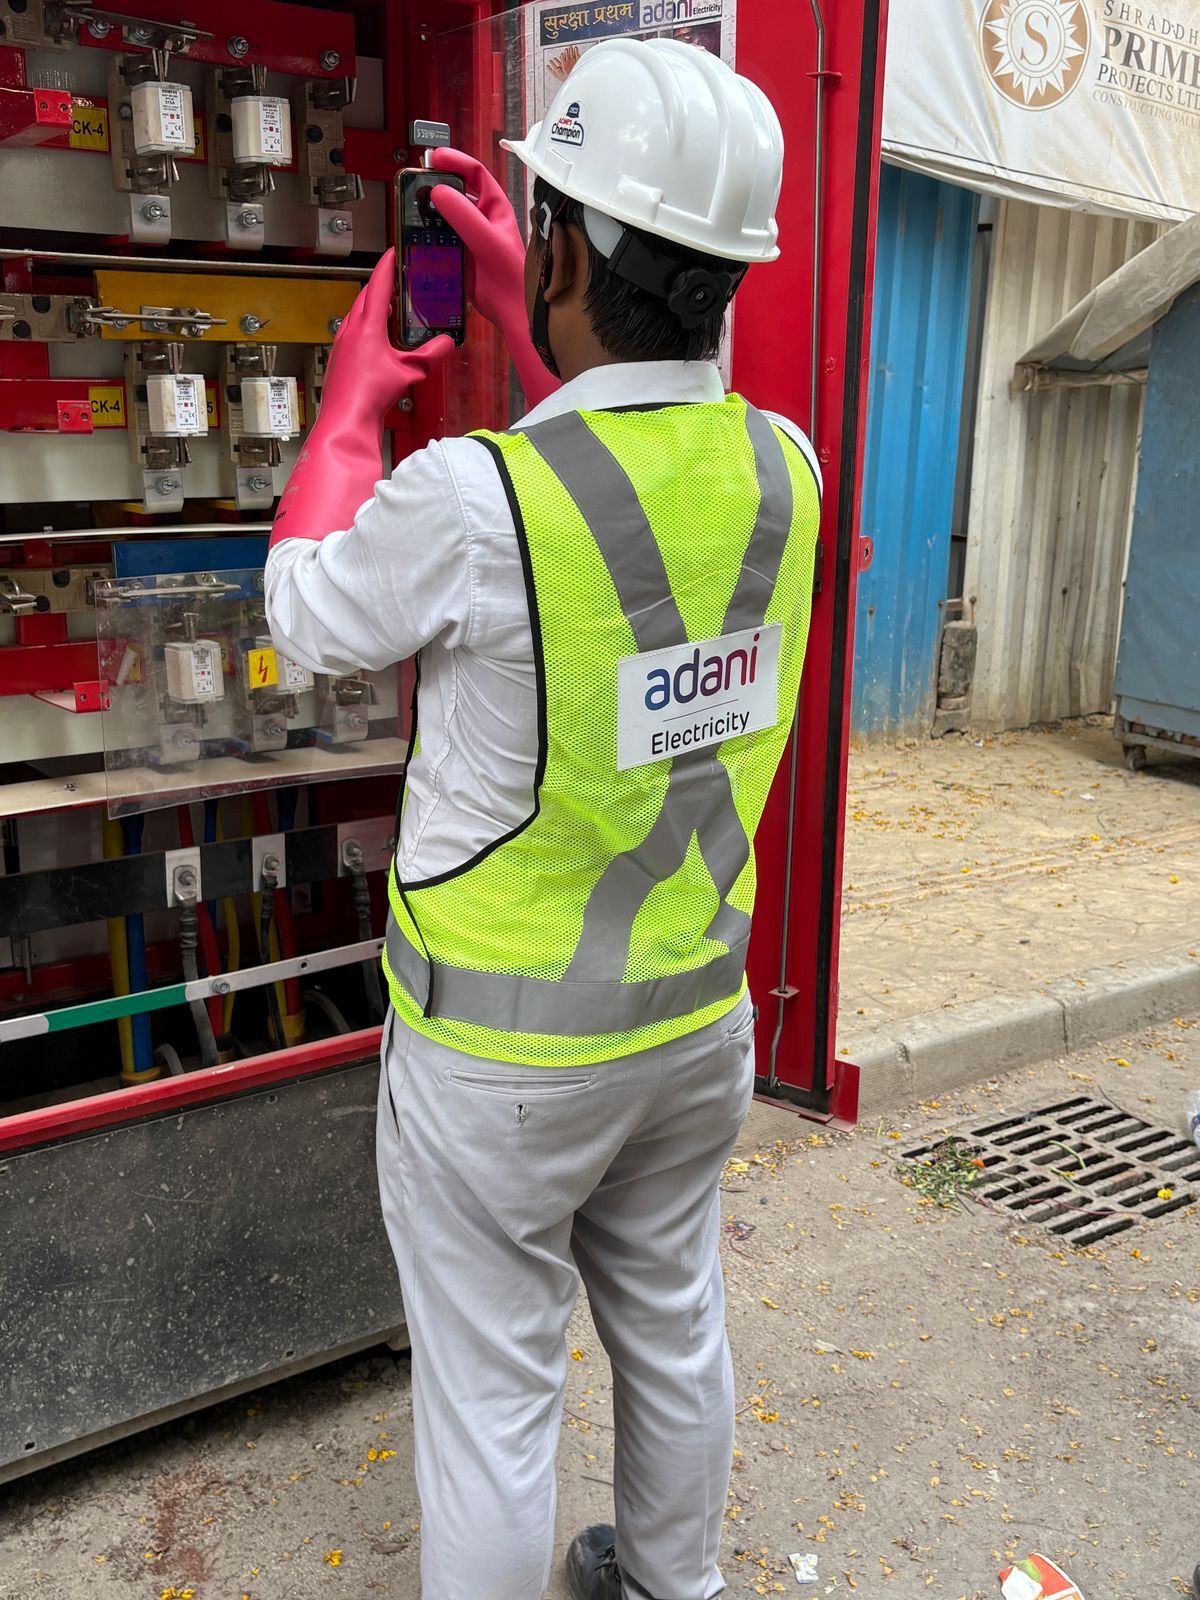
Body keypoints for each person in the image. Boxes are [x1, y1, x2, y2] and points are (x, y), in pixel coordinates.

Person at [265, 37, 820, 1600]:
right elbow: (639, 482)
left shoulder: (473, 500)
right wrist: (533, 302)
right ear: (729, 270)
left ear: (567, 241)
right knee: (674, 1319)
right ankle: (669, 1583)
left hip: (502, 1067)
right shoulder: (788, 472)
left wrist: (351, 408)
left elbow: (306, 612)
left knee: (497, 1401)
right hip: (693, 1028)